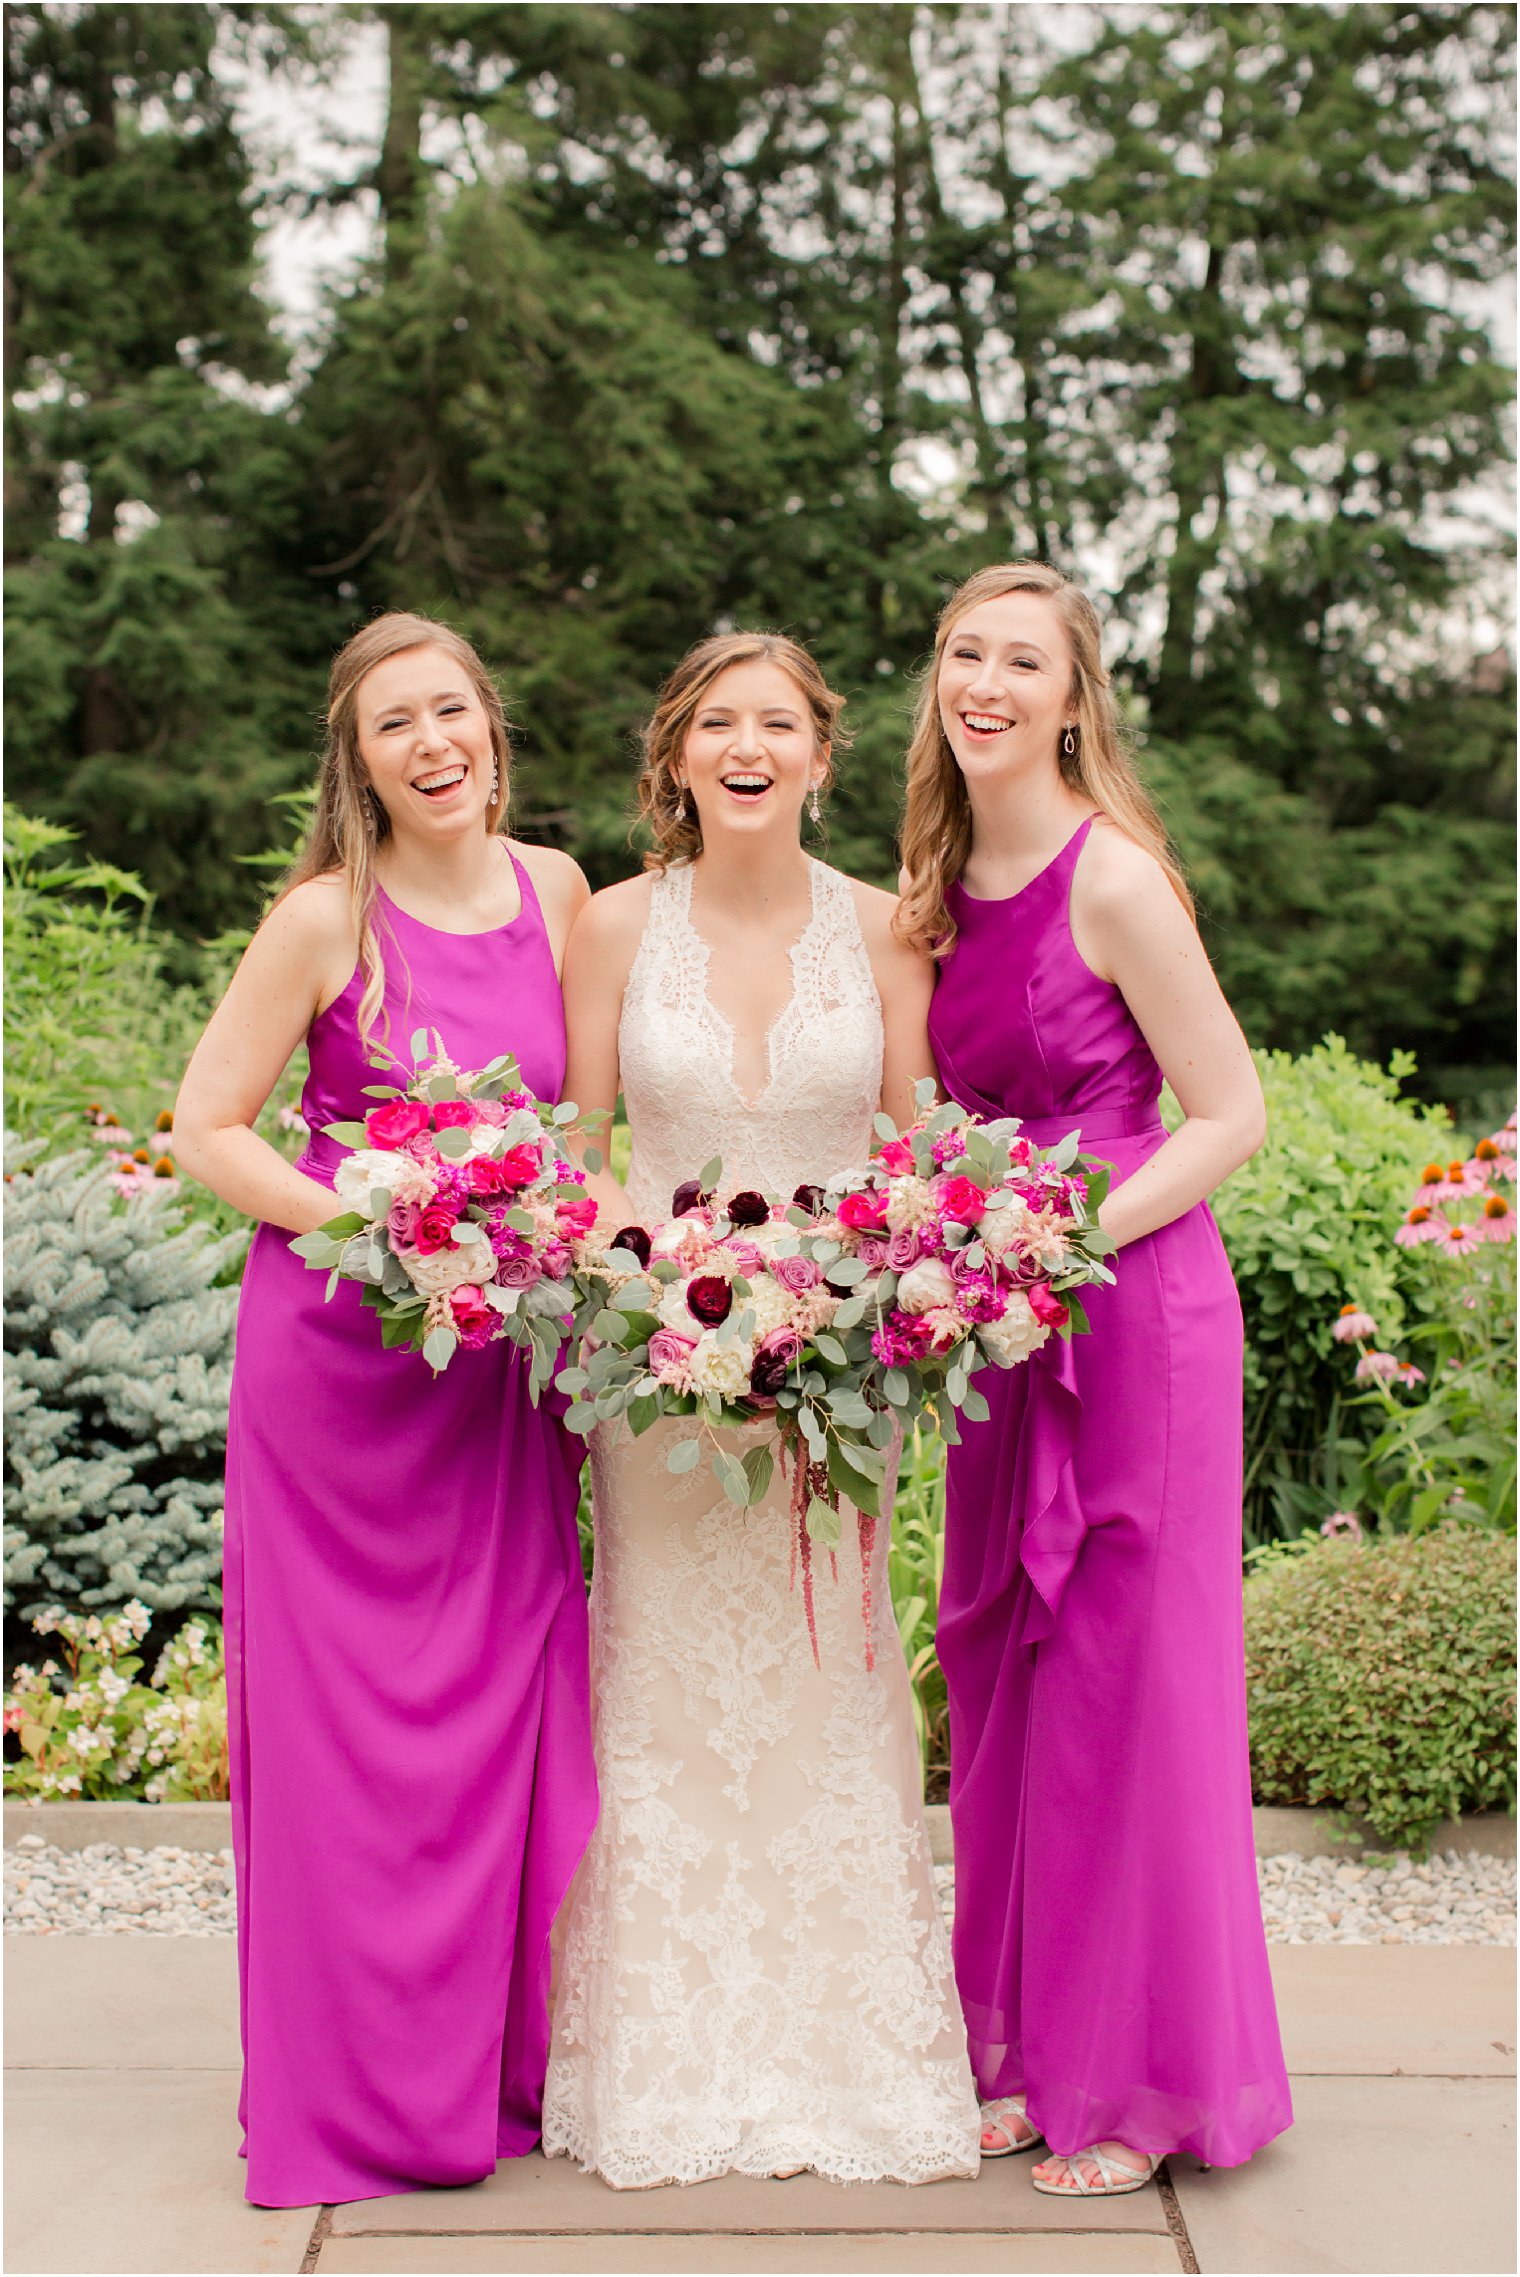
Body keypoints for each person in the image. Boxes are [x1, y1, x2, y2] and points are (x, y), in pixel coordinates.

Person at [540, 632, 981, 2189]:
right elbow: (577, 1146)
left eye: (775, 722)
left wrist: (861, 1307)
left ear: (819, 754)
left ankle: (840, 2052)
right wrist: (652, 1297)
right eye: (715, 722)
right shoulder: (605, 924)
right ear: (674, 758)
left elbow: (920, 1154)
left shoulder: (884, 930)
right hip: (653, 1378)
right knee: (662, 1677)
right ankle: (665, 2053)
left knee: (826, 1662)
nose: (746, 744)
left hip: (838, 1385)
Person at [174, 612, 598, 2208]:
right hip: (341, 1374)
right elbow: (207, 1121)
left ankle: (489, 2074)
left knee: (493, 1719)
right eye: (392, 727)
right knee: (350, 1743)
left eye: (450, 711)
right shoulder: (319, 920)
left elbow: (580, 1122)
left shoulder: (556, 891)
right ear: (356, 765)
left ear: (490, 722)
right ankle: (349, 2104)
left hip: (493, 1378)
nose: (432, 745)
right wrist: (371, 1221)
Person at [898, 561, 1292, 2194]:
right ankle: (1016, 2048)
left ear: (1074, 698)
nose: (987, 683)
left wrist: (1062, 1242)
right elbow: (928, 1107)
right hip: (1003, 1329)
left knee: (1132, 1688)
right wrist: (944, 1229)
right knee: (999, 1669)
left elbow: (1231, 1113)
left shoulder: (1116, 878)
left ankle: (1140, 2087)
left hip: (1137, 1323)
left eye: (1023, 662)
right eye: (964, 654)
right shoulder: (935, 880)